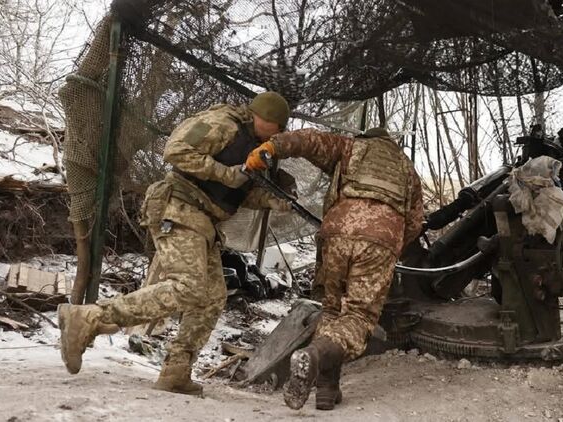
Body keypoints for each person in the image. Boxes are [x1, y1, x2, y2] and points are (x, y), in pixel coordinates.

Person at [58, 91, 293, 395]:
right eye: (278, 128)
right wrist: (225, 173)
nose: (279, 135)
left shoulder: (257, 147)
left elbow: (240, 190)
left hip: (203, 220)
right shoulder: (225, 124)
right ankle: (88, 317)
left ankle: (176, 371)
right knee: (189, 286)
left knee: (210, 298)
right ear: (266, 119)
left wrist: (277, 200)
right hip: (178, 205)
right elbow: (176, 150)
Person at [246, 126, 424, 410]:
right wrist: (390, 246)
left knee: (331, 310)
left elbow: (310, 141)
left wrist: (272, 147)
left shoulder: (350, 147)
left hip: (336, 233)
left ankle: (327, 390)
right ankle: (315, 355)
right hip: (380, 238)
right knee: (359, 316)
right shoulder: (406, 169)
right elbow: (415, 221)